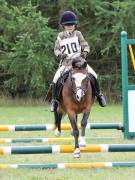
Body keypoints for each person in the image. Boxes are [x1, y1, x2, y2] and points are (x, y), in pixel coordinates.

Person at [50, 11, 106, 112]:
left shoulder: (78, 34)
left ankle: (99, 95)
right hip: (66, 63)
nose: (70, 26)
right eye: (67, 25)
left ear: (75, 25)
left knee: (94, 75)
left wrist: (85, 52)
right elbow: (56, 49)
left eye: (71, 24)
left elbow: (85, 45)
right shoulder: (60, 36)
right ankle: (55, 101)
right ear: (64, 26)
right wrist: (60, 54)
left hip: (79, 63)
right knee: (56, 79)